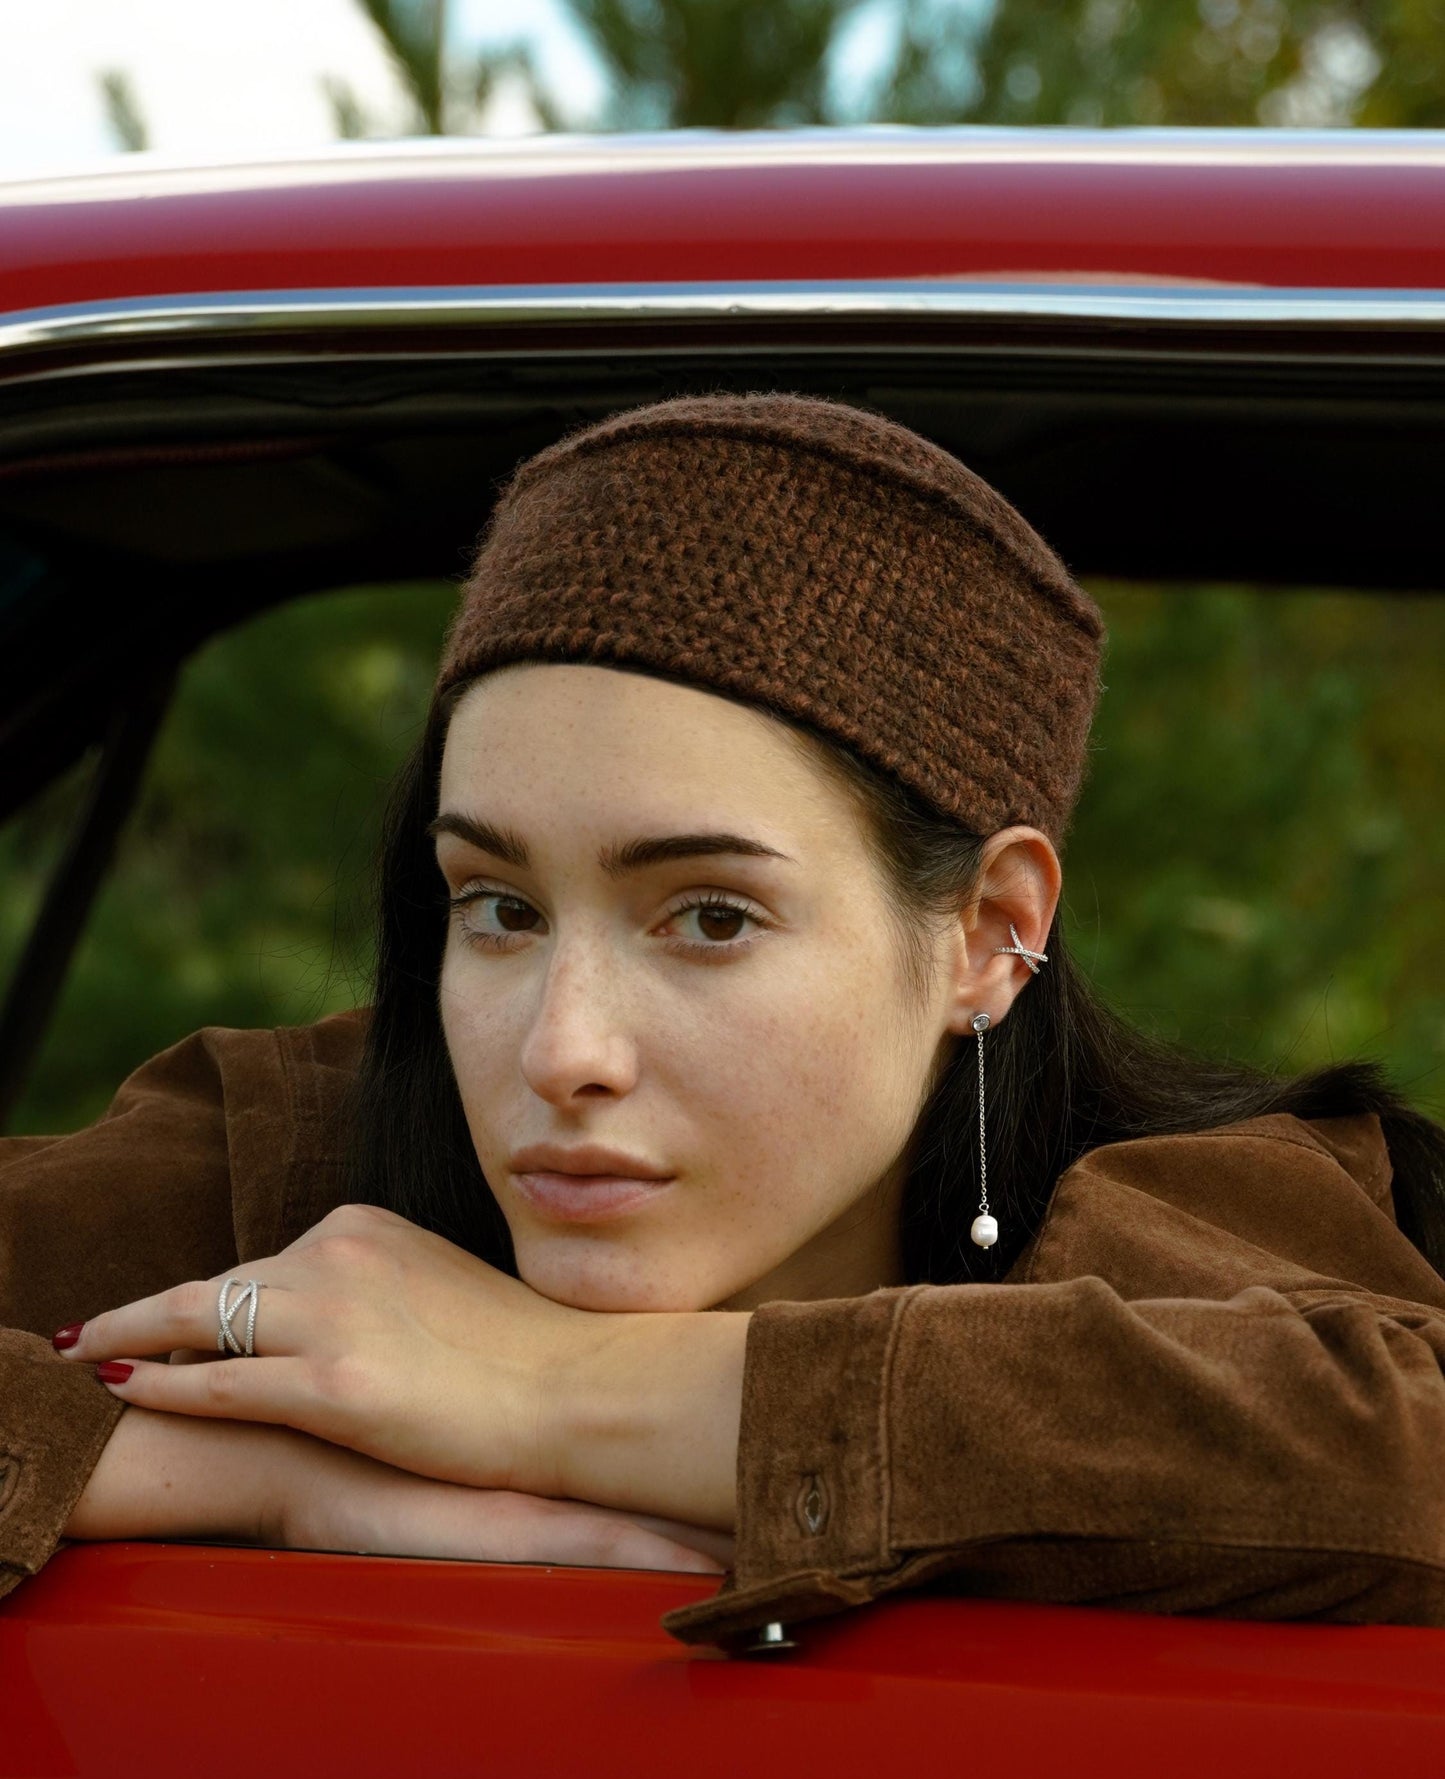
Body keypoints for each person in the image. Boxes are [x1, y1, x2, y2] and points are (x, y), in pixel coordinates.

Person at [4, 392, 1445, 1651]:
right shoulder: (300, 1151)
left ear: (991, 936)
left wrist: (549, 1388)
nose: (561, 1053)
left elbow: (1385, 1448)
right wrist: (269, 1481)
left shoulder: (1192, 1213)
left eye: (709, 917)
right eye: (496, 907)